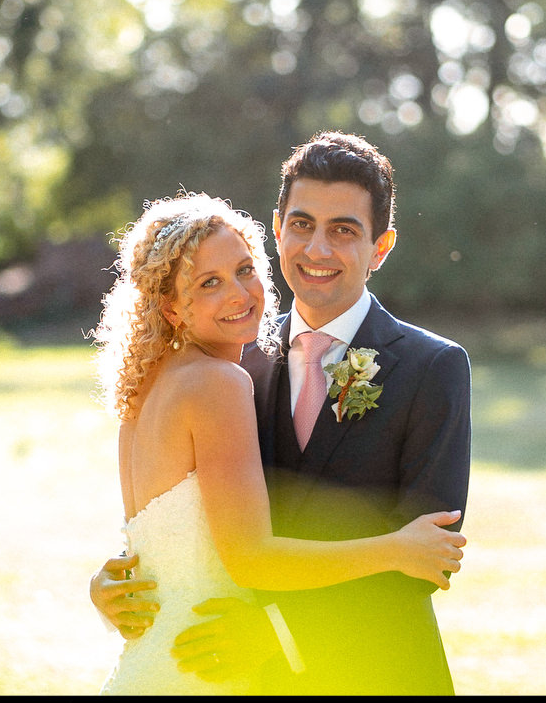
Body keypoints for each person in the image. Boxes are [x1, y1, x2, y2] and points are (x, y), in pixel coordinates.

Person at [91, 132, 472, 695]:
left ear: (381, 247)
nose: (317, 249)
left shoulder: (432, 368)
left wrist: (277, 634)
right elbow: (195, 521)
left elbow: (423, 561)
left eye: (343, 230)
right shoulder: (235, 364)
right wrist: (116, 580)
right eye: (302, 224)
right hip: (232, 672)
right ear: (277, 228)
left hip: (377, 676)